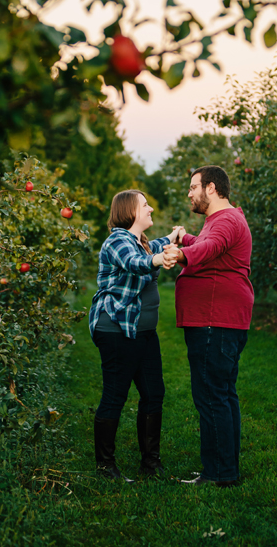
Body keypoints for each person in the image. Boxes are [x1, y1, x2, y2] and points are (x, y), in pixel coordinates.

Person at [163, 165, 253, 488]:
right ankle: (226, 469)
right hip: (221, 319)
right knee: (224, 394)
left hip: (215, 320)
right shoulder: (221, 221)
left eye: (192, 187)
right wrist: (184, 236)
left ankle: (218, 474)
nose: (189, 193)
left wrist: (182, 253)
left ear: (211, 188)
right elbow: (208, 243)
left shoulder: (226, 220)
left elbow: (209, 248)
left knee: (212, 397)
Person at [88, 189, 182, 480]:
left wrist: (172, 237)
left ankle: (150, 464)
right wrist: (158, 260)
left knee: (154, 394)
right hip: (116, 330)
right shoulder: (117, 240)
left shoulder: (140, 241)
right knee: (115, 396)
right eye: (145, 205)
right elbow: (135, 262)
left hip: (143, 332)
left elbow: (152, 246)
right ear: (130, 211)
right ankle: (105, 467)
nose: (151, 208)